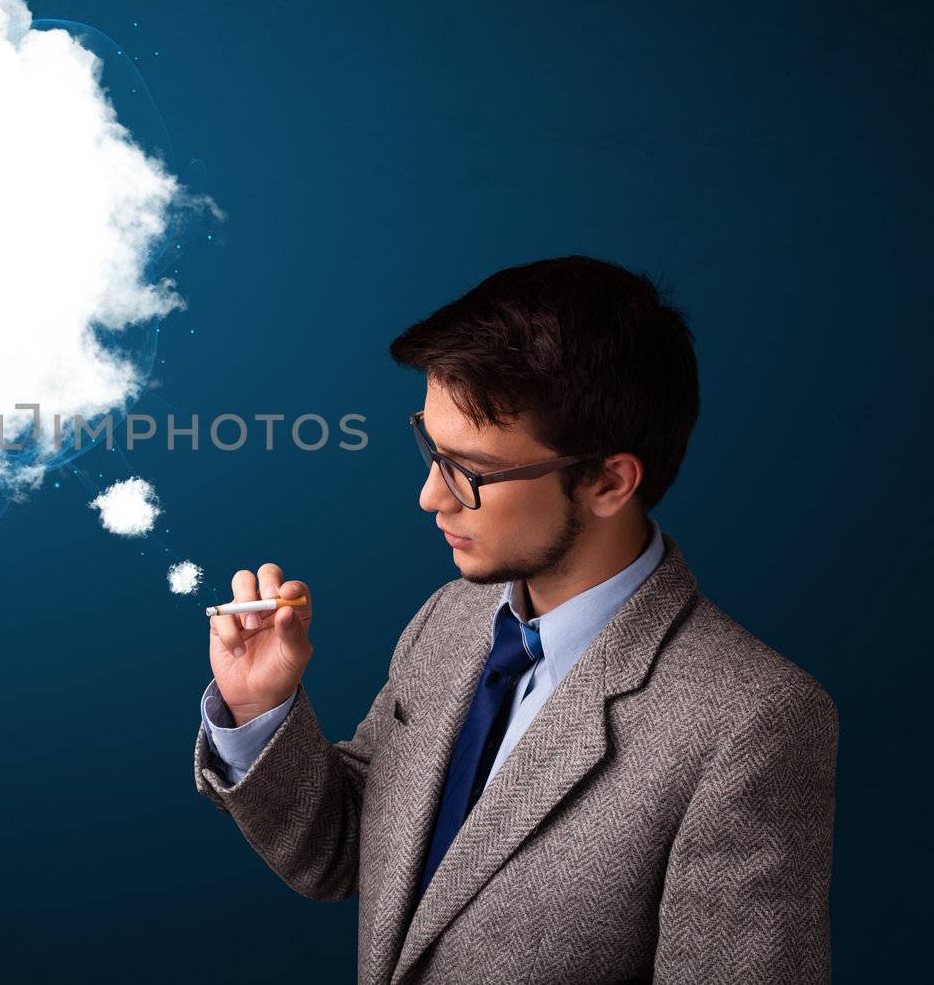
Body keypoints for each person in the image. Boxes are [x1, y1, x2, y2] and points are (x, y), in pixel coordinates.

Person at [193, 255, 837, 984]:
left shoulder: (753, 722)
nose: (430, 498)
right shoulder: (450, 618)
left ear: (607, 482)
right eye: (430, 449)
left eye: (468, 469)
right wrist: (258, 708)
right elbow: (346, 852)